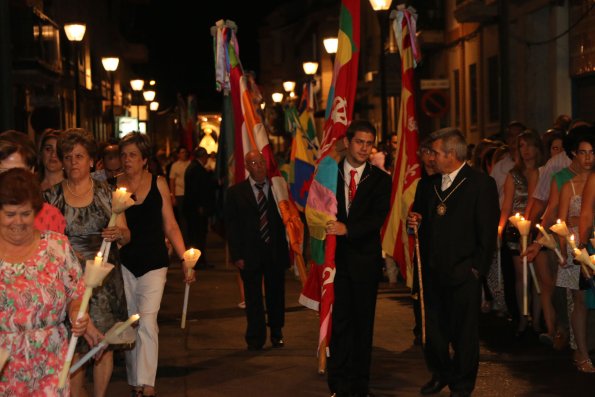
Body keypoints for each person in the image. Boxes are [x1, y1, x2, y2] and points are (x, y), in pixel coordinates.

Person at [407, 127, 499, 397]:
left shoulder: (480, 184)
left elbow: (487, 231)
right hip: (431, 272)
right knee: (432, 333)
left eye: (435, 153)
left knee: (463, 334)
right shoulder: (428, 184)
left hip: (463, 272)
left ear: (451, 154)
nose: (431, 157)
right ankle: (440, 373)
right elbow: (419, 220)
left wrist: (476, 270)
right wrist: (414, 222)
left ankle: (462, 384)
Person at [43, 128, 130, 397]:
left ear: (92, 161)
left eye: (79, 156)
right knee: (74, 345)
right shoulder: (51, 196)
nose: (73, 162)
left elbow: (126, 236)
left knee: (102, 345)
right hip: (68, 281)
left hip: (103, 281)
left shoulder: (108, 193)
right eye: (68, 157)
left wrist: (119, 234)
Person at [117, 132, 195, 397]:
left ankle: (147, 385)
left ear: (144, 159)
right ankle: (134, 381)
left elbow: (170, 224)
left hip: (154, 262)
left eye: (132, 155)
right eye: (124, 155)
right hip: (125, 262)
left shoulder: (159, 183)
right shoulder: (114, 185)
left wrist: (185, 258)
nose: (127, 160)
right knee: (131, 323)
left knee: (148, 322)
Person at [0, 168, 90, 396]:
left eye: (26, 213)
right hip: (4, 366)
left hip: (51, 360)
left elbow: (76, 294)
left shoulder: (56, 246)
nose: (18, 222)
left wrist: (77, 313)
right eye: (10, 214)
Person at [324, 120, 391, 397]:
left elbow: (376, 218)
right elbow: (317, 209)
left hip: (365, 261)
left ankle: (359, 383)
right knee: (339, 323)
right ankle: (337, 381)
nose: (364, 148)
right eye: (359, 142)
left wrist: (347, 228)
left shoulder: (380, 179)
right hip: (336, 262)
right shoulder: (330, 174)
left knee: (363, 324)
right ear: (347, 142)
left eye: (368, 143)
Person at [225, 150, 289, 350]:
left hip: (275, 250)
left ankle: (277, 332)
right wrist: (237, 255)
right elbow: (232, 226)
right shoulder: (236, 192)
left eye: (261, 162)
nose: (259, 166)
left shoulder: (279, 189)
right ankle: (255, 336)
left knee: (276, 295)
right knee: (253, 297)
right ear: (247, 166)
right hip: (249, 253)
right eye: (253, 162)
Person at [497, 129, 544, 337]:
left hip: (537, 228)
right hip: (516, 230)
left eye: (529, 145)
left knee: (539, 276)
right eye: (521, 146)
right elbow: (506, 207)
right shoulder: (513, 176)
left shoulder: (543, 171)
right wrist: (500, 229)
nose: (525, 151)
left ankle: (537, 319)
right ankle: (523, 318)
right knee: (521, 275)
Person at [556, 131, 595, 372]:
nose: (588, 158)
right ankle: (581, 353)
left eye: (592, 153)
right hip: (584, 244)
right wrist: (574, 248)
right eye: (583, 152)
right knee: (581, 300)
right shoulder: (571, 183)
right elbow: (583, 215)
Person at [0, 129, 65, 233]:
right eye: (3, 172)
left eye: (17, 172)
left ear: (31, 170)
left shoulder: (49, 216)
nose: (9, 180)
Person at [184, 146, 216, 268]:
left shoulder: (195, 168)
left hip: (194, 209)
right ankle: (197, 262)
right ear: (203, 157)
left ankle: (198, 261)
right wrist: (200, 206)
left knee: (196, 235)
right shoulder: (196, 169)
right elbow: (196, 190)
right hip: (196, 210)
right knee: (197, 236)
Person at [168, 146, 191, 244]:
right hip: (179, 193)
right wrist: (172, 196)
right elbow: (172, 181)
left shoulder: (190, 164)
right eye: (182, 152)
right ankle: (183, 239)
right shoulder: (175, 166)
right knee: (182, 217)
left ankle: (189, 237)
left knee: (189, 217)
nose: (184, 154)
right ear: (178, 154)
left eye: (185, 152)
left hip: (189, 194)